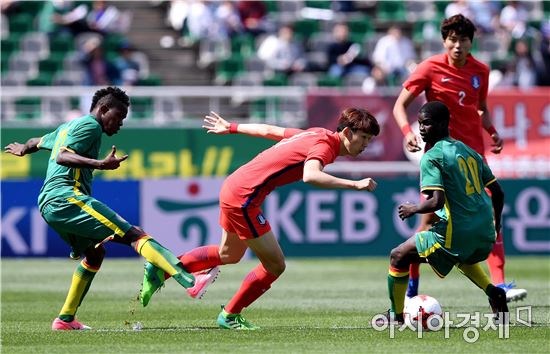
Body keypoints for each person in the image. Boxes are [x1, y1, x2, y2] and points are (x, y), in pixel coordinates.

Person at [139, 108, 381, 330]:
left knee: (228, 255)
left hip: (234, 186)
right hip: (244, 198)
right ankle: (230, 315)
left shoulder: (318, 133)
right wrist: (354, 184)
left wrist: (232, 127)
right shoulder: (325, 145)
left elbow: (270, 130)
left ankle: (162, 268)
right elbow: (311, 175)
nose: (366, 145)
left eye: (370, 140)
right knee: (275, 265)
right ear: (347, 132)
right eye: (364, 138)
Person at [3, 87, 196, 330]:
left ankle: (65, 320)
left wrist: (23, 147)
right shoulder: (91, 126)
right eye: (119, 117)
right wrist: (99, 164)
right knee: (133, 234)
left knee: (95, 254)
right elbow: (62, 156)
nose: (120, 124)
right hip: (65, 197)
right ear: (103, 109)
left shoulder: (67, 127)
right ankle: (190, 280)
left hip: (49, 203)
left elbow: (36, 142)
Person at [392, 14, 527, 302]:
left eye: (463, 40)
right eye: (452, 40)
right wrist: (407, 132)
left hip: (472, 155)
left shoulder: (481, 70)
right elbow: (399, 106)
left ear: (471, 43)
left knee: (489, 209)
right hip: (440, 157)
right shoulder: (429, 68)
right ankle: (412, 287)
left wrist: (492, 130)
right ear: (444, 41)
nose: (457, 45)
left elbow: (481, 108)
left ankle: (500, 284)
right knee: (429, 219)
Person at [382, 101, 508, 324]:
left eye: (427, 124)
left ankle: (396, 316)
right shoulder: (471, 152)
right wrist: (496, 226)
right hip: (485, 234)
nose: (421, 129)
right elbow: (498, 193)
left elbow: (436, 202)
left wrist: (413, 208)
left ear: (443, 124)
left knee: (398, 255)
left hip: (457, 232)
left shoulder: (432, 156)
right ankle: (494, 292)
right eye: (420, 124)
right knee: (460, 254)